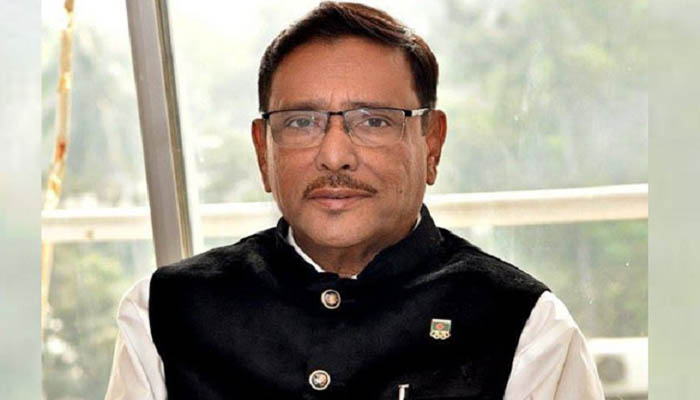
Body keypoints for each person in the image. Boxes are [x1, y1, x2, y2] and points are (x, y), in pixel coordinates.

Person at [105, 2, 604, 399]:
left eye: (374, 121)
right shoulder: (165, 313)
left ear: (432, 144)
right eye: (302, 122)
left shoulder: (525, 327)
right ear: (263, 152)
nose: (335, 156)